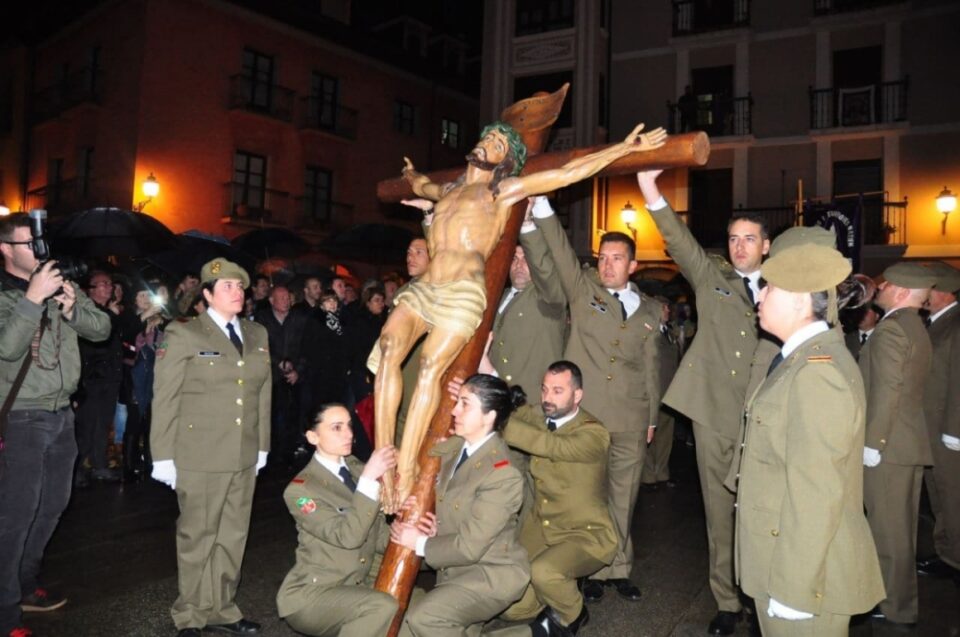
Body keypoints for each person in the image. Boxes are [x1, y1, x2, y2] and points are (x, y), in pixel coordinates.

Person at [374, 119, 667, 512]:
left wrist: (625, 148)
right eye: (487, 136)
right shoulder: (446, 189)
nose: (487, 143)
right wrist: (410, 174)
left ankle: (407, 468)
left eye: (497, 143)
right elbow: (418, 182)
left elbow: (569, 171)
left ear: (506, 160)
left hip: (461, 289)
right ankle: (384, 461)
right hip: (428, 287)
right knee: (389, 349)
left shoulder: (504, 190)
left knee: (429, 367)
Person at [635, 168, 767, 633]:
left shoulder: (786, 286)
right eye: (733, 238)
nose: (739, 246)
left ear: (765, 246)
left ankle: (762, 594)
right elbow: (679, 240)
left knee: (764, 510)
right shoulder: (712, 277)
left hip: (766, 417)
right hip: (715, 413)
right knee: (719, 510)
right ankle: (727, 601)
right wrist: (651, 190)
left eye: (749, 239)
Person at [736, 242, 884, 637]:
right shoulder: (802, 358)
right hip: (783, 555)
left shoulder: (817, 372)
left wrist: (794, 589)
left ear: (801, 302)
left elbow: (817, 490)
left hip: (804, 578)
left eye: (769, 287)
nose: (759, 294)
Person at [521, 195, 661, 603]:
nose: (608, 264)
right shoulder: (584, 291)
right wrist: (544, 207)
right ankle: (593, 570)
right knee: (590, 498)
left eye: (617, 258)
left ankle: (619, 567)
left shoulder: (650, 310)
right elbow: (562, 252)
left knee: (624, 496)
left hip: (632, 418)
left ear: (633, 266)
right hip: (591, 418)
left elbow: (652, 367)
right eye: (603, 257)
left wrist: (651, 416)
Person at [0, 212, 111, 637]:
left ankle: (26, 586)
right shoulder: (8, 296)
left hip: (63, 414)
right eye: (32, 244)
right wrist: (32, 298)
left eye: (42, 242)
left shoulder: (62, 284)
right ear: (7, 249)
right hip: (22, 416)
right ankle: (5, 611)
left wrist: (70, 308)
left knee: (50, 508)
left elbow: (101, 329)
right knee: (16, 515)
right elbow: (8, 349)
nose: (42, 251)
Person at [150, 258, 272, 637]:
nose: (237, 292)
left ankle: (222, 607)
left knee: (233, 534)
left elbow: (263, 393)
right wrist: (163, 457)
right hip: (199, 453)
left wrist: (263, 446)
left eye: (240, 286)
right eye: (227, 287)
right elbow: (165, 397)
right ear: (206, 295)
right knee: (197, 536)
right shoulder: (185, 332)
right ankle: (189, 613)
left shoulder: (257, 334)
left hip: (243, 453)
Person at [391, 373, 530, 636]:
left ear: (489, 416)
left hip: (492, 574)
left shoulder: (502, 473)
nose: (454, 410)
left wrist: (419, 542)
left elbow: (470, 545)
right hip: (458, 569)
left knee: (426, 619)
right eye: (458, 401)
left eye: (465, 404)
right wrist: (436, 529)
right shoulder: (457, 448)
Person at [499, 361, 617, 636]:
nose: (547, 398)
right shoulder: (539, 415)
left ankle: (573, 612)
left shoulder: (594, 433)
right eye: (544, 389)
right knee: (511, 608)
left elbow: (551, 445)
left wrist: (498, 421)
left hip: (583, 532)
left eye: (557, 391)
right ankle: (558, 587)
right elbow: (513, 412)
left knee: (543, 572)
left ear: (577, 395)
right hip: (542, 527)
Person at [276, 404, 398, 636]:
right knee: (381, 607)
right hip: (315, 594)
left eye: (349, 425)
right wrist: (370, 480)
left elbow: (379, 536)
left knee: (416, 612)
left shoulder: (357, 470)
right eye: (336, 427)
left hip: (358, 585)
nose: (349, 434)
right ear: (313, 437)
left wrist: (407, 529)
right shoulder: (301, 490)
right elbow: (349, 537)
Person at [860, 262, 936, 627]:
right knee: (901, 529)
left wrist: (874, 442)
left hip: (889, 446)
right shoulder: (914, 326)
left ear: (902, 292)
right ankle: (899, 602)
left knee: (889, 531)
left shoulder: (891, 329)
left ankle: (895, 607)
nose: (880, 288)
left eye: (886, 284)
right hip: (904, 443)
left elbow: (887, 390)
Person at [918, 261, 960, 582]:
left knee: (952, 493)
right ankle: (947, 552)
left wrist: (954, 430)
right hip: (931, 427)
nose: (926, 295)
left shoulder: (955, 324)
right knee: (939, 493)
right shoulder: (934, 322)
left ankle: (956, 558)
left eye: (930, 289)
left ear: (945, 291)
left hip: (948, 430)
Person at [487, 240, 567, 400]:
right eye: (514, 258)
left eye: (526, 259)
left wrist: (529, 226)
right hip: (497, 394)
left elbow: (549, 277)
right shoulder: (497, 297)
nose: (519, 265)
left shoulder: (548, 298)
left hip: (532, 399)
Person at [74, 270, 125, 485]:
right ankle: (77, 470)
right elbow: (93, 344)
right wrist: (111, 316)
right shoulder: (87, 313)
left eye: (110, 283)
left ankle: (99, 465)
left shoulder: (109, 311)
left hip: (110, 377)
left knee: (103, 424)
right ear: (91, 289)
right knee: (87, 425)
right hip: (92, 379)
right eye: (103, 283)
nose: (109, 287)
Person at [254, 285, 312, 466]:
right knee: (271, 415)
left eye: (288, 297)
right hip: (271, 375)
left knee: (294, 414)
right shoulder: (262, 319)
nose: (286, 301)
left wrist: (298, 370)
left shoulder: (299, 319)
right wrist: (277, 361)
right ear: (271, 300)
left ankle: (288, 453)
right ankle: (271, 454)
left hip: (295, 376)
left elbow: (307, 347)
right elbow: (258, 346)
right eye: (281, 297)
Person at [642, 299, 682, 488]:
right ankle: (648, 474)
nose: (668, 310)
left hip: (669, 391)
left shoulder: (670, 332)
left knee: (666, 433)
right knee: (649, 434)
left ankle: (662, 472)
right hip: (653, 390)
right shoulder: (648, 331)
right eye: (663, 307)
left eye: (667, 306)